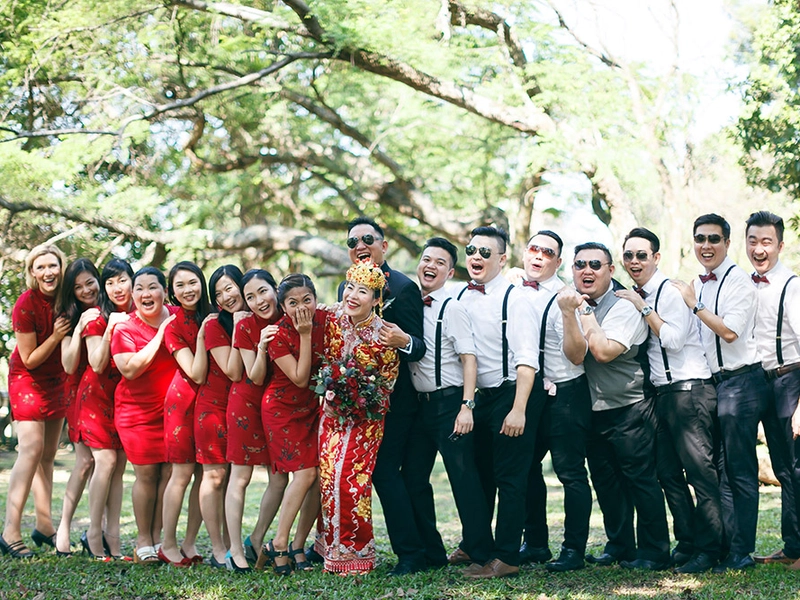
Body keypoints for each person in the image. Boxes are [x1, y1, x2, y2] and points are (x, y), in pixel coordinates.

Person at [616, 228, 722, 573]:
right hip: (662, 396)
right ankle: (688, 542)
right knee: (667, 474)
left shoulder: (671, 292)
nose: (634, 261)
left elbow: (674, 340)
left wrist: (642, 306)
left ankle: (710, 550)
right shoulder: (638, 293)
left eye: (641, 255)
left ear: (655, 258)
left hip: (690, 392)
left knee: (699, 476)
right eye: (628, 255)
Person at [559, 242, 670, 571]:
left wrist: (586, 315)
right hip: (592, 409)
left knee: (640, 480)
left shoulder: (624, 305)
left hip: (630, 406)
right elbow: (573, 353)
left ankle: (654, 551)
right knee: (606, 482)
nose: (587, 269)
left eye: (596, 263)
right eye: (580, 264)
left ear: (611, 269)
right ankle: (620, 545)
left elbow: (604, 352)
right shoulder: (571, 304)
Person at [328, 216, 427, 575]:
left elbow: (418, 347)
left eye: (368, 238)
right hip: (352, 407)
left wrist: (403, 341)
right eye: (352, 241)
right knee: (343, 475)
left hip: (396, 403)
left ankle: (412, 553)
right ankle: (336, 546)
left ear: (384, 245)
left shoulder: (403, 286)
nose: (360, 245)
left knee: (385, 473)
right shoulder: (345, 290)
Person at [673, 213, 767, 572]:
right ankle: (728, 545)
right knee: (723, 471)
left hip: (743, 381)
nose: (706, 245)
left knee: (740, 472)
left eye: (714, 239)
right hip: (715, 384)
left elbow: (729, 332)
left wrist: (694, 305)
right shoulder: (700, 282)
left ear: (728, 243)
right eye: (700, 239)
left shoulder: (739, 282)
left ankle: (741, 552)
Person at [457, 226, 542, 579]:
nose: (476, 257)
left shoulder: (516, 299)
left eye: (485, 253)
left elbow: (527, 360)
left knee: (510, 478)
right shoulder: (461, 295)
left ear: (503, 259)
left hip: (513, 393)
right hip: (481, 398)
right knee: (482, 475)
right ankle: (480, 547)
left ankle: (507, 556)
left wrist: (519, 409)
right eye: (472, 250)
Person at [404, 237, 493, 569]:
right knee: (413, 477)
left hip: (450, 403)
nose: (431, 266)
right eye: (427, 259)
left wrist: (466, 406)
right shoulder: (410, 303)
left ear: (449, 271)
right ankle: (432, 551)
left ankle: (480, 552)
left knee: (463, 479)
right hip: (419, 407)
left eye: (440, 263)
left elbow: (470, 359)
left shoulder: (452, 307)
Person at [317, 261, 400, 574]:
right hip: (330, 414)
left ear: (376, 300)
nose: (352, 295)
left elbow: (388, 381)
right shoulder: (332, 316)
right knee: (328, 480)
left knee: (351, 483)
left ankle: (356, 555)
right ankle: (330, 550)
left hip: (366, 420)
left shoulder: (385, 335)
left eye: (362, 291)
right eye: (350, 287)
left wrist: (361, 398)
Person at [519, 230, 593, 572]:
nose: (538, 256)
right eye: (533, 249)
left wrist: (567, 314)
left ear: (558, 262)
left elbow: (578, 356)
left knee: (570, 473)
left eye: (547, 252)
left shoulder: (568, 297)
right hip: (528, 395)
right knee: (525, 469)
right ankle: (534, 543)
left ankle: (573, 550)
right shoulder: (512, 289)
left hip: (566, 394)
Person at [1, 244, 70, 559]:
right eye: (40, 267)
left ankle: (44, 525)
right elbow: (28, 359)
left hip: (57, 380)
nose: (48, 272)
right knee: (30, 449)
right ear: (32, 272)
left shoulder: (66, 301)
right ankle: (9, 530)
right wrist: (55, 337)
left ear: (61, 267)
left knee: (48, 454)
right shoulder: (25, 305)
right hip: (27, 378)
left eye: (52, 265)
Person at [744, 211, 800, 569]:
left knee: (797, 466)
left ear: (779, 245)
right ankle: (792, 545)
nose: (759, 249)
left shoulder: (792, 286)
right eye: (753, 241)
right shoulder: (742, 283)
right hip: (757, 382)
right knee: (782, 468)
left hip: (789, 379)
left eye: (766, 242)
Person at [260, 274, 325, 575]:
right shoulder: (277, 334)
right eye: (293, 302)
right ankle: (279, 542)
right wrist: (306, 334)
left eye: (307, 300)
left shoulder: (325, 320)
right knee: (304, 473)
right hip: (281, 411)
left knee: (317, 476)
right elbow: (299, 377)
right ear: (283, 306)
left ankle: (299, 545)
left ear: (315, 298)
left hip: (311, 409)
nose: (301, 307)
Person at [111, 266, 177, 564]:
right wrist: (162, 333)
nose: (146, 293)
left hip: (172, 411)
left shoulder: (178, 314)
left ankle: (158, 538)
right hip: (136, 412)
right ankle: (142, 540)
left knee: (168, 475)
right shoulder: (125, 327)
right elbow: (129, 368)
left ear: (165, 291)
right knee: (147, 474)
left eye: (153, 287)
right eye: (139, 288)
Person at [225, 269, 283, 573]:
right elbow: (254, 375)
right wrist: (261, 344)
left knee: (279, 478)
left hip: (281, 407)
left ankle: (257, 537)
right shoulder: (245, 325)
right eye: (250, 296)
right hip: (247, 404)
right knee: (241, 476)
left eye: (263, 291)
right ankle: (234, 548)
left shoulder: (289, 314)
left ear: (275, 288)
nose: (259, 300)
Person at [76, 259, 134, 560]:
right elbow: (97, 363)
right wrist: (112, 330)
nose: (116, 288)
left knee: (120, 465)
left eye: (121, 280)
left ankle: (114, 536)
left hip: (124, 399)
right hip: (96, 396)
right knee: (107, 461)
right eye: (110, 283)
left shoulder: (138, 313)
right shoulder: (98, 317)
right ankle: (93, 533)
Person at [159, 262, 211, 567]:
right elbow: (194, 371)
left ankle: (190, 542)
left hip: (211, 405)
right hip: (183, 402)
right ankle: (168, 543)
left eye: (192, 283)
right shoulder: (174, 325)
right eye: (180, 286)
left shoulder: (213, 313)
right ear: (172, 292)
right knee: (182, 474)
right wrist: (205, 336)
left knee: (205, 475)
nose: (187, 290)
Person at [197, 265, 245, 567]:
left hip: (241, 410)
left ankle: (233, 544)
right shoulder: (216, 326)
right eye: (219, 293)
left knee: (232, 479)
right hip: (213, 407)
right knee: (214, 477)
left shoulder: (257, 318)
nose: (226, 297)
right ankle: (217, 548)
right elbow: (232, 369)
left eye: (230, 288)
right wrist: (240, 327)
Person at [55, 259, 101, 557]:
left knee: (105, 466)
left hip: (110, 393)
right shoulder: (69, 316)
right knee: (85, 463)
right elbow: (69, 364)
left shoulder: (113, 308)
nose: (86, 290)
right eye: (78, 286)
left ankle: (101, 532)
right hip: (82, 394)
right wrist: (82, 325)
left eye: (90, 282)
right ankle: (64, 529)